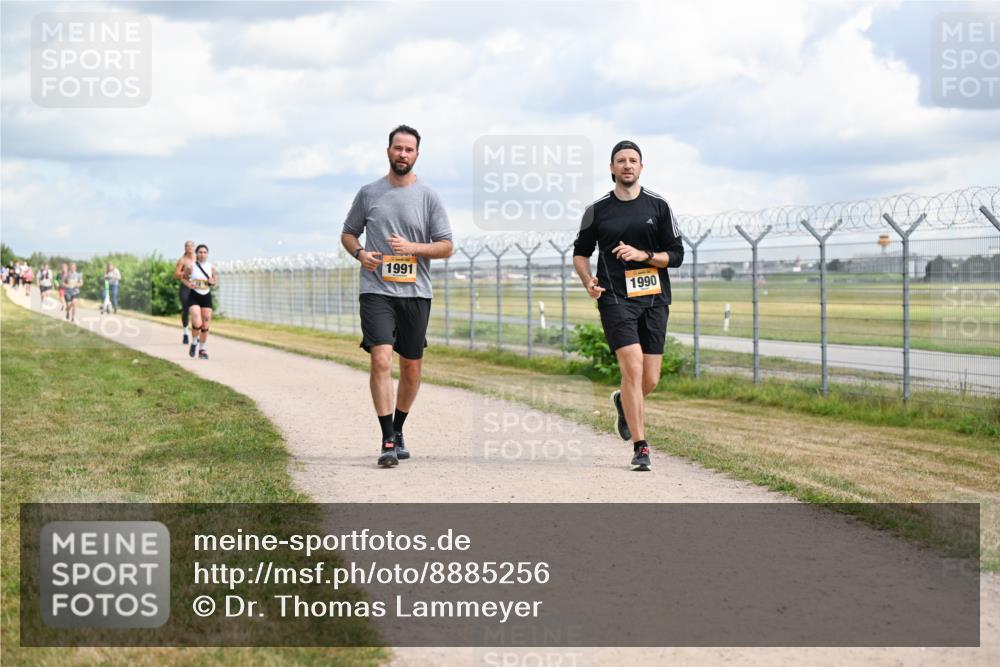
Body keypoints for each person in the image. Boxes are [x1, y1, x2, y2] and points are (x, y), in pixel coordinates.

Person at [340, 124, 453, 467]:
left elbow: (447, 246)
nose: (402, 154)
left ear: (417, 155)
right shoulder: (369, 193)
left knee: (412, 367)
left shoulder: (429, 197)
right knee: (380, 359)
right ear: (388, 150)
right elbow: (348, 233)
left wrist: (412, 248)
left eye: (409, 149)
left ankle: (399, 428)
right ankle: (387, 438)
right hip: (376, 289)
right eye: (397, 148)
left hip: (416, 293)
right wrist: (361, 254)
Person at [573, 140, 685, 471]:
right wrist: (588, 281)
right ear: (611, 168)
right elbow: (580, 253)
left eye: (633, 160)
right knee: (632, 368)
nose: (627, 165)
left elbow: (676, 255)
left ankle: (623, 401)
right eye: (620, 160)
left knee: (649, 378)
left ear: (641, 167)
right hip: (614, 298)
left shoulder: (658, 206)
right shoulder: (597, 210)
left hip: (654, 299)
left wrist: (643, 255)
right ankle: (641, 447)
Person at [181, 244, 217, 360]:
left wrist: (212, 282)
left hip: (206, 296)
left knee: (205, 325)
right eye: (200, 252)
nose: (202, 254)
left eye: (205, 252)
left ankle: (202, 349)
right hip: (194, 296)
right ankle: (194, 342)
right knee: (197, 323)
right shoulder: (190, 266)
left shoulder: (211, 267)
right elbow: (183, 278)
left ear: (207, 254)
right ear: (196, 254)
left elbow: (214, 281)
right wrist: (189, 284)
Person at [174, 240, 196, 344]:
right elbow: (176, 274)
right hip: (185, 287)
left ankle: (196, 334)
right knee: (186, 310)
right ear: (185, 248)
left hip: (196, 287)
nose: (190, 247)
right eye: (188, 246)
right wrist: (186, 272)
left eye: (192, 246)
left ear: (194, 247)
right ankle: (186, 333)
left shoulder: (198, 259)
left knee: (197, 311)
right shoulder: (182, 260)